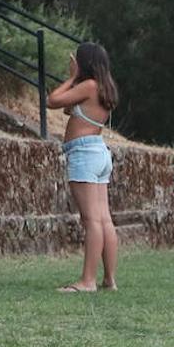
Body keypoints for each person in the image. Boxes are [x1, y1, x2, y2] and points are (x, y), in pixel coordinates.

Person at [46, 43, 119, 293]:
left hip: (84, 153)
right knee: (104, 219)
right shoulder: (103, 87)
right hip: (99, 152)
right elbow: (68, 108)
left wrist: (72, 77)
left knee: (91, 221)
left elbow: (52, 100)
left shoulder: (87, 86)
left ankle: (87, 281)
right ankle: (109, 280)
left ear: (84, 63)